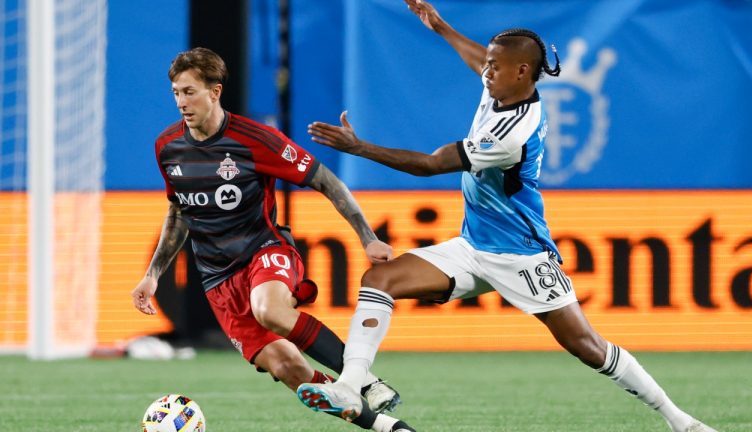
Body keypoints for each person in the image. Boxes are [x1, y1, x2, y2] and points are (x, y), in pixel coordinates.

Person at [296, 1, 718, 431]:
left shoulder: (512, 133)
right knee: (378, 281)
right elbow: (480, 57)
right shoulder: (504, 83)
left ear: (521, 72)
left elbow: (428, 164)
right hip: (472, 246)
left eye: (497, 66)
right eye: (489, 65)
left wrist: (360, 147)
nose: (486, 71)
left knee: (588, 347)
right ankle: (350, 385)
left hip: (521, 256)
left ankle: (681, 422)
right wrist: (441, 27)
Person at [130, 47, 415, 432]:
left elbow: (325, 180)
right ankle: (388, 427)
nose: (181, 102)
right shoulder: (167, 147)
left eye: (190, 91)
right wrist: (153, 274)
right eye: (176, 93)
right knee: (290, 368)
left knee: (271, 311)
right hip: (218, 280)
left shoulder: (255, 139)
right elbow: (179, 211)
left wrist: (368, 239)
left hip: (265, 251)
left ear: (215, 92)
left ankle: (364, 380)